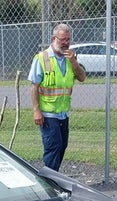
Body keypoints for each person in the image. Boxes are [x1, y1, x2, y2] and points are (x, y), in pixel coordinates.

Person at [28, 23, 86, 171]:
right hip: (48, 114)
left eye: (68, 39)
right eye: (62, 39)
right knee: (53, 147)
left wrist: (74, 62)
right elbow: (34, 87)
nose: (66, 43)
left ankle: (52, 176)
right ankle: (49, 179)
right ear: (54, 39)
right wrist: (36, 110)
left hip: (63, 113)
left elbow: (82, 77)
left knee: (62, 146)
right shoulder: (42, 58)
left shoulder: (70, 59)